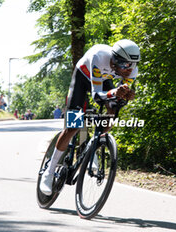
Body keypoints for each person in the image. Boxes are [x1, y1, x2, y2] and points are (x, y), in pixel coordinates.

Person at [39, 39, 140, 195]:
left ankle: (94, 143)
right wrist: (115, 93)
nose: (129, 70)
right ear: (114, 60)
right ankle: (49, 171)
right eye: (125, 65)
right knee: (73, 126)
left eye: (132, 65)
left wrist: (125, 96)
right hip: (83, 76)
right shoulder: (99, 57)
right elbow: (96, 95)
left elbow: (118, 97)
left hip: (104, 79)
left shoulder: (131, 70)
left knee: (113, 110)